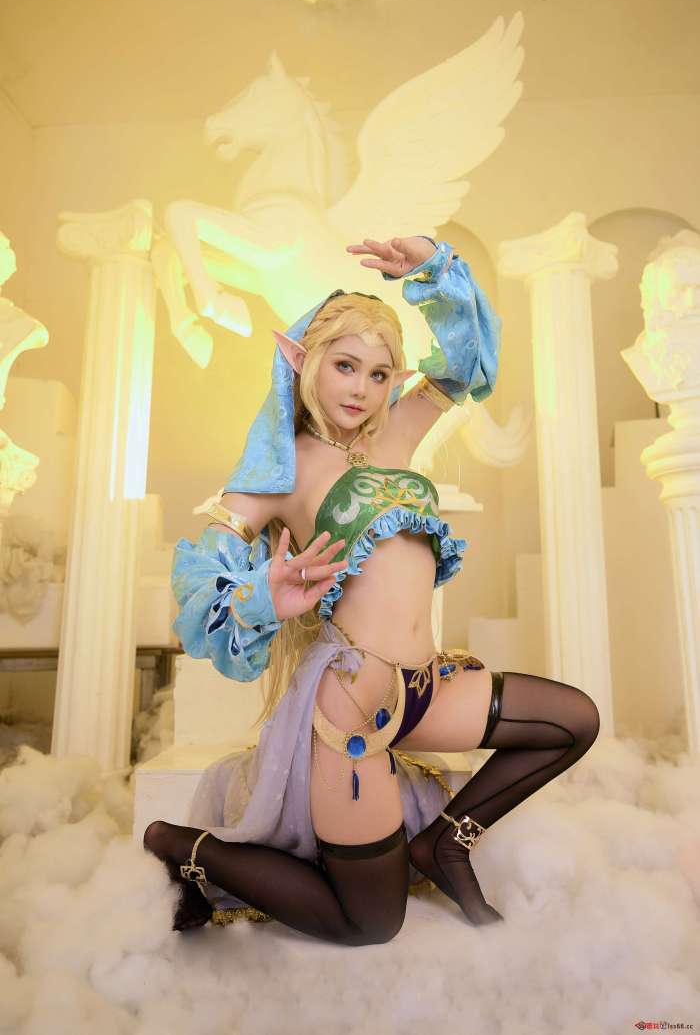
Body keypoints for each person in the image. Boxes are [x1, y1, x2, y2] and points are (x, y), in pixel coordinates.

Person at [143, 235, 600, 944]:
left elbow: (468, 361)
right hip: (351, 706)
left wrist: (435, 271)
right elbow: (199, 588)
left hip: (428, 686)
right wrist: (264, 593)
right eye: (345, 366)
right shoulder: (280, 470)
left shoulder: (396, 431)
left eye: (380, 373)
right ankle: (182, 846)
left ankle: (445, 843)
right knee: (370, 923)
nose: (361, 389)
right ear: (302, 361)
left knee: (573, 721)